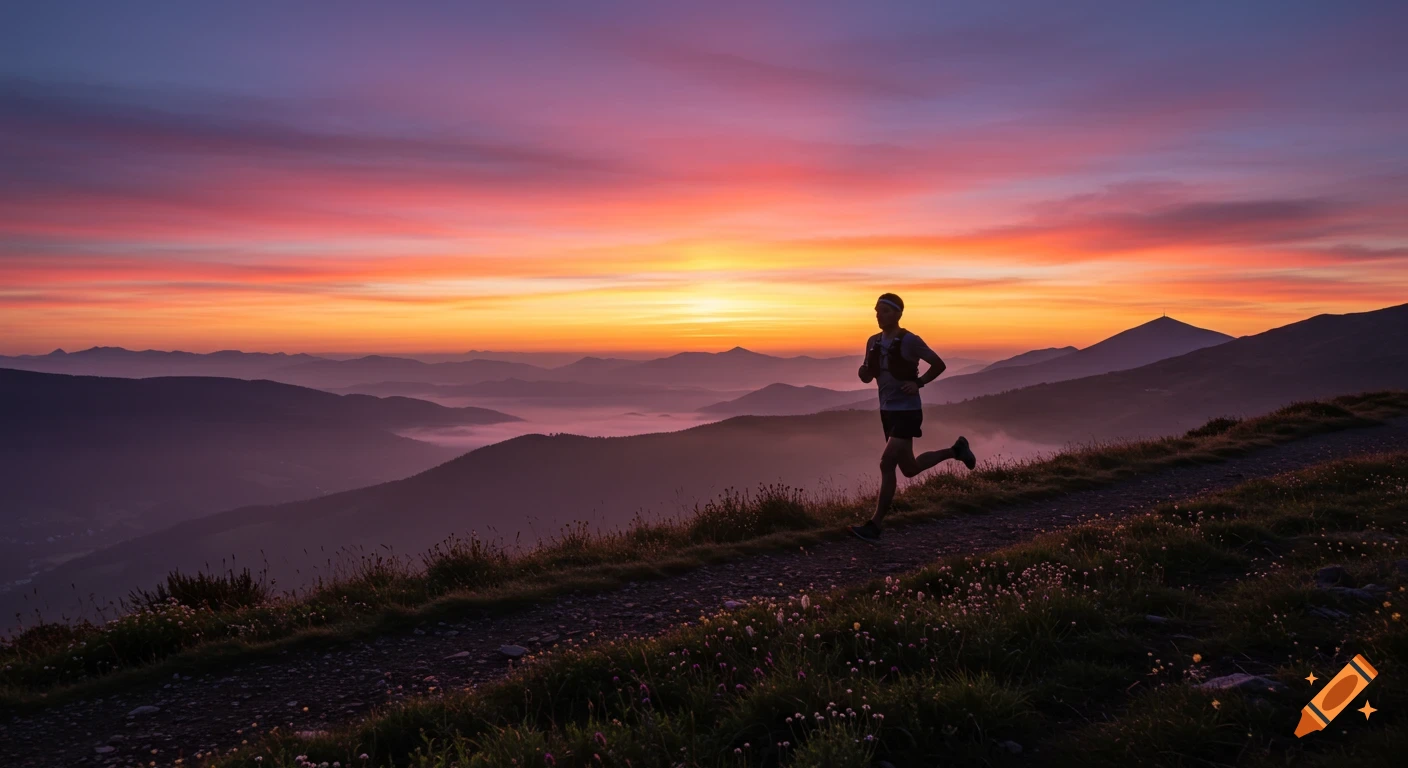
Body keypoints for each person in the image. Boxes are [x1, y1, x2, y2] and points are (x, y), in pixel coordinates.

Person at [848, 292, 976, 543]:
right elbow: (868, 374)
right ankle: (956, 450)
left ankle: (874, 526)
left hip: (907, 410)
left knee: (886, 463)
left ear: (897, 313)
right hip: (887, 410)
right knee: (909, 469)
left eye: (884, 311)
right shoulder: (872, 341)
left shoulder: (910, 340)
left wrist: (919, 383)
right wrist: (863, 373)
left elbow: (938, 364)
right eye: (876, 310)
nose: (878, 315)